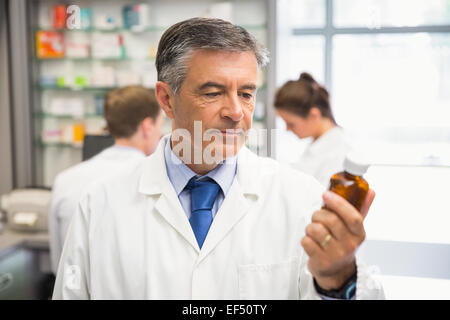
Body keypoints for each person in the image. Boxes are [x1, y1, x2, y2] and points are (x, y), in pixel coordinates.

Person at [52, 18, 384, 300]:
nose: (236, 112)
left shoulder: (300, 198)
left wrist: (336, 282)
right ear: (167, 99)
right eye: (213, 93)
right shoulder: (100, 204)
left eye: (246, 94)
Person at [49, 86, 164, 275]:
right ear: (147, 127)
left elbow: (58, 264)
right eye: (160, 126)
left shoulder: (65, 180)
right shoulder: (155, 179)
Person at [274, 73, 352, 187]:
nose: (287, 129)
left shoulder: (338, 156)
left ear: (314, 115)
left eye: (291, 123)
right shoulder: (318, 145)